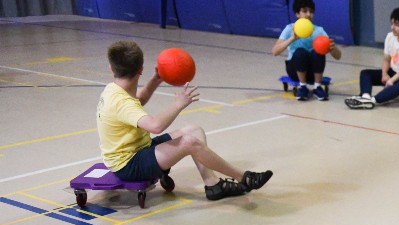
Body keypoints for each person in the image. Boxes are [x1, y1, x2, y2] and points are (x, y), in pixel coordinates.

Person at [97, 41, 272, 201]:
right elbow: (155, 126)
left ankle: (213, 185)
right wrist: (178, 104)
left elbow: (139, 101)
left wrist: (156, 80)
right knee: (189, 142)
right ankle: (244, 177)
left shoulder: (113, 90)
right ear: (141, 69)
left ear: (111, 68)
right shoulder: (121, 102)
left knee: (194, 130)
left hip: (139, 149)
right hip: (128, 165)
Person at [344, 7, 399, 109]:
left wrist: (391, 80)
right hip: (394, 71)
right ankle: (365, 97)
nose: (393, 27)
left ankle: (373, 100)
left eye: (397, 25)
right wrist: (384, 74)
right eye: (392, 23)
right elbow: (386, 59)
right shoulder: (390, 37)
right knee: (365, 73)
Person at [272, 0, 342, 101]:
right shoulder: (290, 28)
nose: (308, 14)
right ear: (297, 14)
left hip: (313, 71)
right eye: (305, 11)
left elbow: (338, 56)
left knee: (317, 52)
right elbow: (275, 51)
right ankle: (302, 86)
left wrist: (333, 48)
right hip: (294, 70)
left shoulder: (319, 31)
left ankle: (317, 87)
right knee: (300, 52)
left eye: (311, 11)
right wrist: (291, 39)